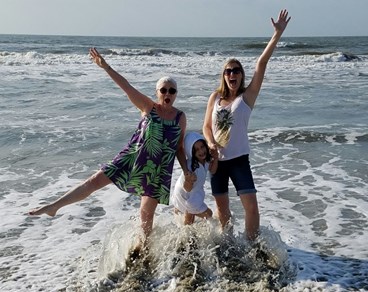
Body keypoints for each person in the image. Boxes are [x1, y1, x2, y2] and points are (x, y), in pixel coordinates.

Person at [29, 48, 188, 248]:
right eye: (163, 90)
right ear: (157, 93)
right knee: (94, 181)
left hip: (157, 169)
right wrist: (106, 67)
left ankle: (142, 250)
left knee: (146, 214)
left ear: (176, 95)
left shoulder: (180, 117)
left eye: (171, 90)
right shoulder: (148, 107)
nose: (167, 93)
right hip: (133, 158)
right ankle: (54, 206)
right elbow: (126, 87)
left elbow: (179, 147)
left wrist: (187, 170)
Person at [202, 9, 291, 241]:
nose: (232, 74)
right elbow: (206, 127)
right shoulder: (215, 98)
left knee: (251, 207)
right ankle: (229, 243)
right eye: (228, 71)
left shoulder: (247, 97)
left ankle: (252, 245)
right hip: (216, 162)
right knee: (222, 210)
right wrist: (210, 143)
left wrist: (277, 35)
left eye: (237, 71)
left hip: (239, 160)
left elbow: (261, 64)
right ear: (224, 76)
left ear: (241, 76)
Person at [171, 132, 218, 225]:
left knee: (189, 218)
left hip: (193, 194)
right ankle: (187, 236)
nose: (201, 151)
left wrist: (215, 158)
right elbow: (187, 188)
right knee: (208, 214)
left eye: (202, 147)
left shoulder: (206, 160)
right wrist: (189, 180)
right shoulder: (192, 167)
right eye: (196, 150)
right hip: (185, 194)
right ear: (190, 152)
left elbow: (212, 170)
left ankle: (187, 235)